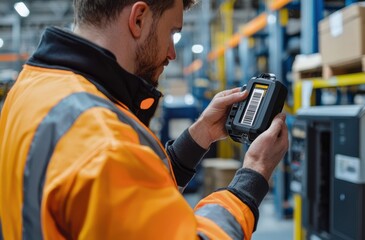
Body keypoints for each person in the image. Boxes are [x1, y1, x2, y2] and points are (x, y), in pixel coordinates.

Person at [0, 0, 289, 239]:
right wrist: (253, 175)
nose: (172, 54)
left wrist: (199, 136)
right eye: (172, 33)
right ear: (138, 19)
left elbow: (132, 198)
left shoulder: (30, 87)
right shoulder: (106, 142)